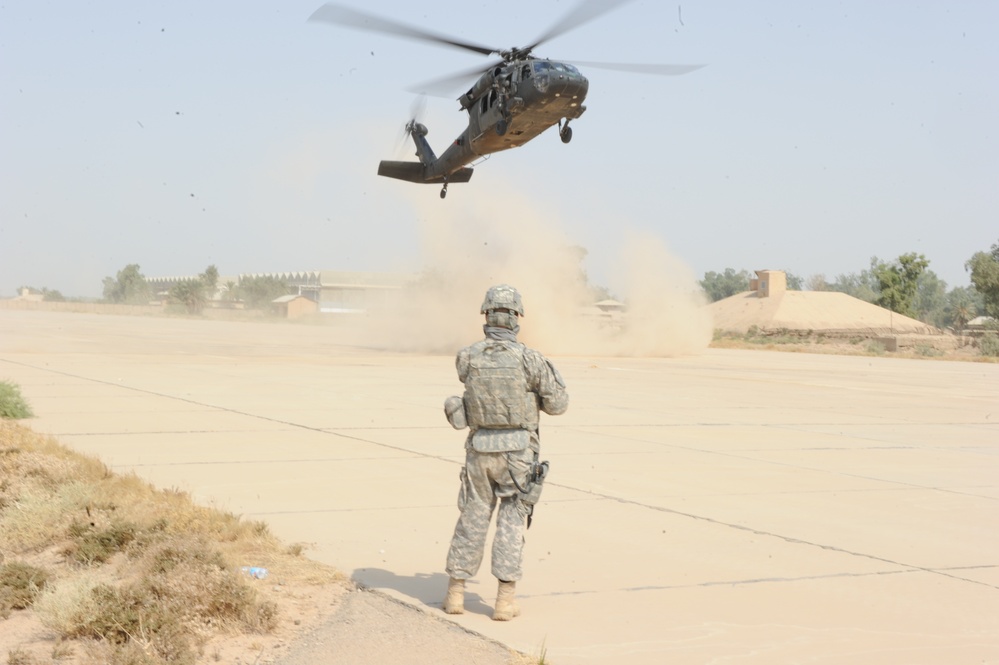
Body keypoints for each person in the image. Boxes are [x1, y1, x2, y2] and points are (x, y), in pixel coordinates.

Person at [441, 284, 569, 621]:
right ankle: (504, 600)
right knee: (512, 521)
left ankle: (455, 592)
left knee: (472, 516)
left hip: (479, 450)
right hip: (517, 456)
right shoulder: (530, 359)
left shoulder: (467, 355)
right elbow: (558, 405)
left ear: (486, 315)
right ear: (516, 318)